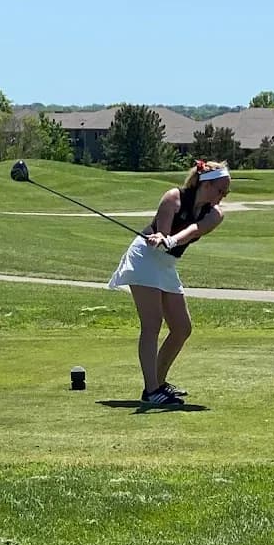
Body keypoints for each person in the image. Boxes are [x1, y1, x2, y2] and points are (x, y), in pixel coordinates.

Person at [108, 159, 230, 405]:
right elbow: (162, 233)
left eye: (226, 192)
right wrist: (161, 238)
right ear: (206, 184)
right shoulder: (173, 197)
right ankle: (152, 391)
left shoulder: (215, 214)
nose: (223, 196)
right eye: (221, 190)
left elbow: (195, 229)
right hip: (145, 257)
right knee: (152, 324)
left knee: (182, 327)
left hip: (166, 263)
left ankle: (158, 384)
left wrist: (171, 241)